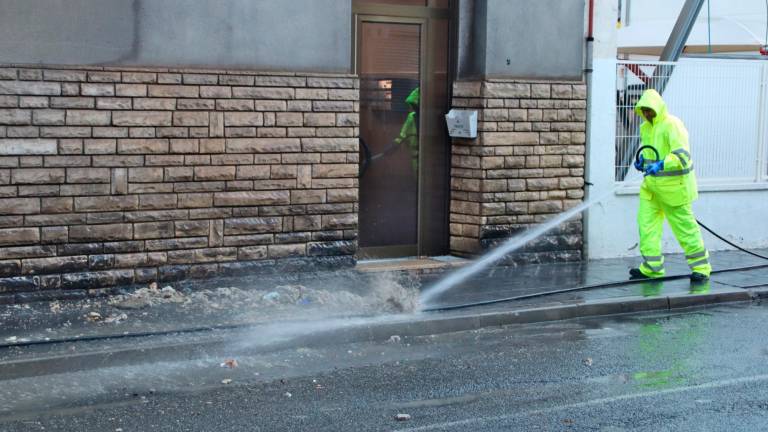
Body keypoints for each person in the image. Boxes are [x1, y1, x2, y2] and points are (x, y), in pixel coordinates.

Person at [630, 89, 711, 282]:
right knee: (647, 228)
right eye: (644, 110)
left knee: (685, 229)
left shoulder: (672, 125)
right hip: (651, 189)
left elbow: (682, 156)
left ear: (658, 107)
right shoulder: (645, 128)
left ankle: (701, 268)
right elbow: (651, 153)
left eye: (650, 110)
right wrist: (643, 162)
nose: (647, 114)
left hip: (674, 190)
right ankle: (652, 268)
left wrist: (661, 164)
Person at [394, 87, 420, 173]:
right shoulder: (411, 117)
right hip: (414, 152)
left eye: (414, 105)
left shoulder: (426, 119)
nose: (412, 107)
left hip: (425, 154)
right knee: (416, 174)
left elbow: (403, 134)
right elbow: (403, 133)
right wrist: (395, 144)